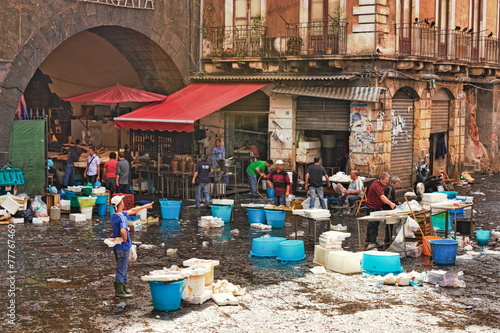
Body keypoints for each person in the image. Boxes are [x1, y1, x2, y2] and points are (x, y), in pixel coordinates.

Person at [110, 195, 153, 298]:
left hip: (117, 246)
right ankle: (119, 291)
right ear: (121, 204)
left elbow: (132, 211)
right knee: (121, 269)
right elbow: (123, 230)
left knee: (123, 267)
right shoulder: (122, 218)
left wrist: (145, 206)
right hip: (123, 247)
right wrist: (124, 239)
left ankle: (123, 287)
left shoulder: (114, 215)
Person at [365, 172, 397, 250]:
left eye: (388, 180)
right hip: (372, 207)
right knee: (373, 225)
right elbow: (382, 197)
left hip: (374, 207)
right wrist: (390, 203)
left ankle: (369, 240)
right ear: (381, 179)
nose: (387, 182)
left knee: (371, 224)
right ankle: (372, 243)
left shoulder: (378, 183)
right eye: (386, 180)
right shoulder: (377, 186)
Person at [383, 176, 402, 244]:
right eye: (397, 184)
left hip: (389, 208)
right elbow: (388, 199)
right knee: (389, 224)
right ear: (393, 183)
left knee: (390, 224)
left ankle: (389, 238)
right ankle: (388, 239)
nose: (398, 185)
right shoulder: (390, 188)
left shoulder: (390, 188)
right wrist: (397, 202)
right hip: (387, 208)